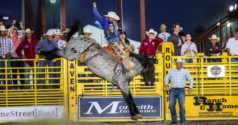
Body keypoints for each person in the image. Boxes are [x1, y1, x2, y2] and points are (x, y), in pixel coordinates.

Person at [165, 58, 193, 125]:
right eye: (178, 63)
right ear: (176, 64)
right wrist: (166, 85)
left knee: (182, 106)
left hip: (181, 90)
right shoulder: (171, 71)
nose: (179, 64)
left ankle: (183, 122)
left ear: (182, 64)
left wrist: (190, 87)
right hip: (173, 90)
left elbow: (191, 79)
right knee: (171, 106)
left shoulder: (185, 71)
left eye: (180, 63)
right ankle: (174, 121)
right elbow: (166, 77)